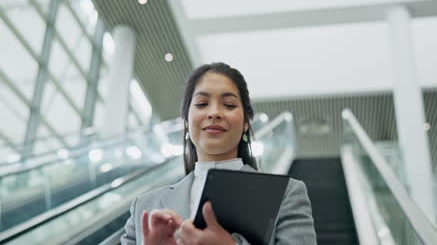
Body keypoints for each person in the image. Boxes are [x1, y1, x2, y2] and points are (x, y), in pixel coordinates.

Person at [121, 62, 317, 245]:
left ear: (246, 122)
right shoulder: (144, 207)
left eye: (229, 105)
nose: (214, 112)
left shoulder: (286, 194)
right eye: (201, 104)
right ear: (187, 122)